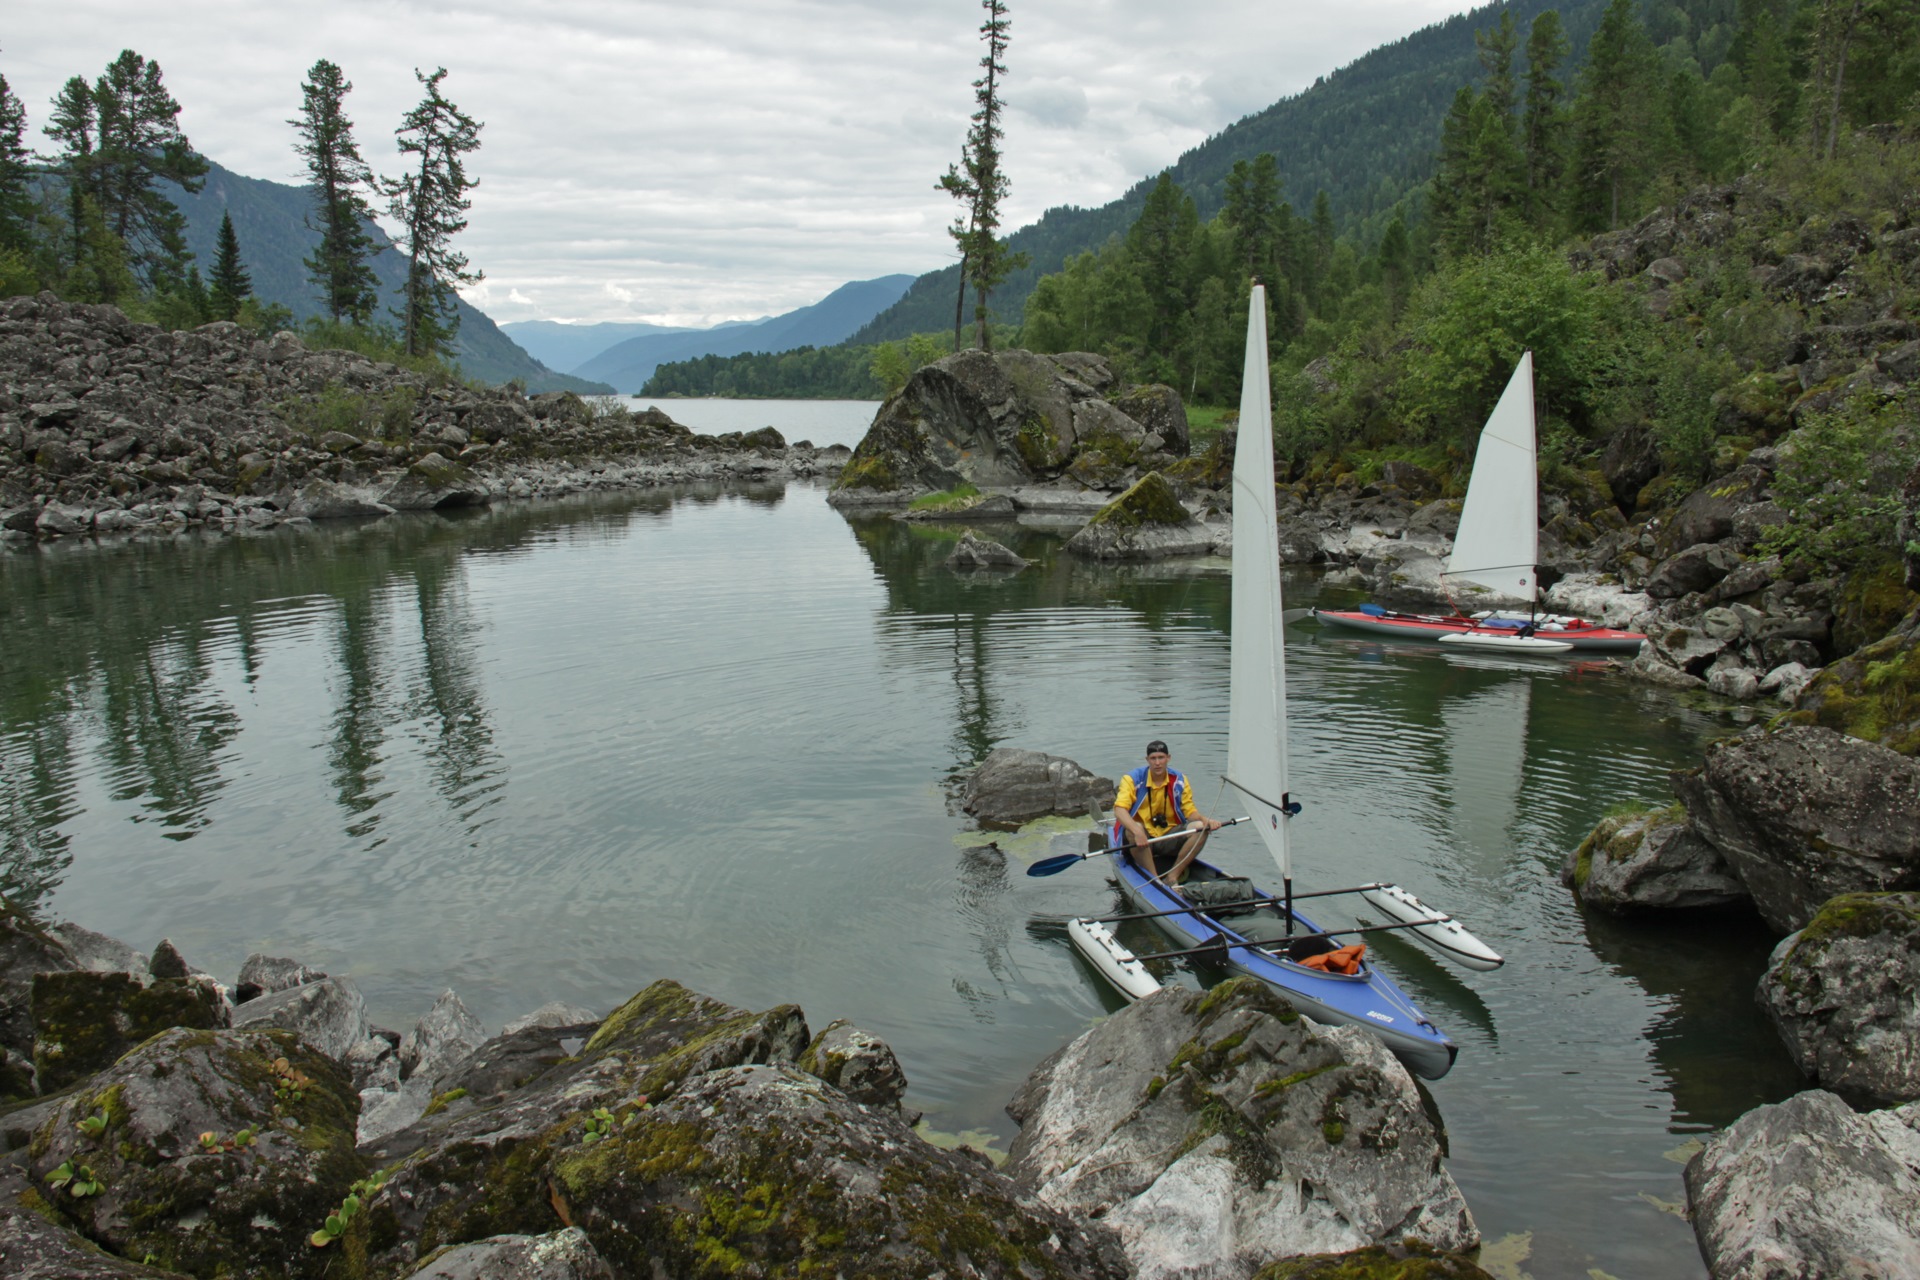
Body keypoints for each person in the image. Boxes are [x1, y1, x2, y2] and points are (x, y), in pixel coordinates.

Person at [1112, 740, 1221, 888]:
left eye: (1161, 758)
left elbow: (1189, 811)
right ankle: (1155, 879)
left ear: (1168, 758)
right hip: (1141, 839)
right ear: (1147, 760)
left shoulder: (1179, 780)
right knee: (1134, 827)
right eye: (1153, 758)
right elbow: (1119, 809)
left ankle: (1172, 876)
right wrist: (1137, 830)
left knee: (1201, 828)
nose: (1157, 763)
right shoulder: (1132, 779)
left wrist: (1204, 819)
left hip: (1167, 836)